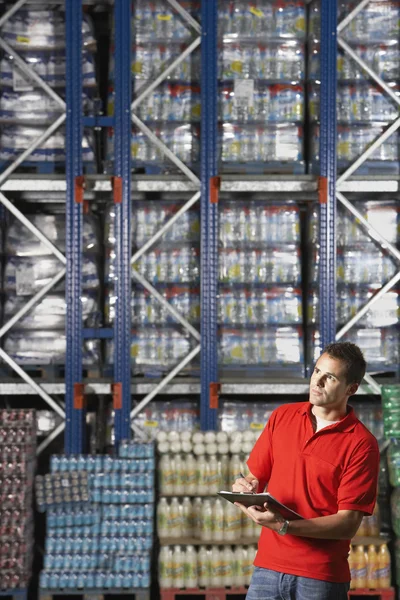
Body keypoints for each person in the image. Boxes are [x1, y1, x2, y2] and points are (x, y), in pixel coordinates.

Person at [232, 341, 379, 600]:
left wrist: (285, 525)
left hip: (321, 576)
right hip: (267, 566)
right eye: (316, 372)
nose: (317, 382)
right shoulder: (282, 417)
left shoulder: (361, 444)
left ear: (351, 388)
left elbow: (347, 524)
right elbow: (256, 477)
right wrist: (245, 488)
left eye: (330, 377)